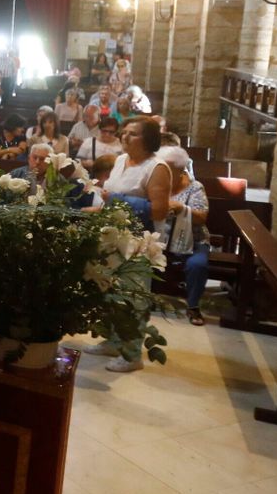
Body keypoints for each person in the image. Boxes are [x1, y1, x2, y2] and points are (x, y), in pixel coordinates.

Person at [84, 116, 172, 372]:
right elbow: (110, 196)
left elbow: (158, 211)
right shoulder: (121, 160)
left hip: (139, 242)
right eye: (124, 132)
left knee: (132, 297)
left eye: (132, 133)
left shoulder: (157, 168)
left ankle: (132, 355)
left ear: (148, 139)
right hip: (113, 237)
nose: (124, 136)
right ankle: (113, 342)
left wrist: (116, 200)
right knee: (111, 292)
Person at [156, 145, 211, 327]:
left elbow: (201, 217)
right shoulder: (158, 184)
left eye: (167, 167)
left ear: (179, 170)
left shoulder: (195, 187)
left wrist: (182, 209)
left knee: (197, 265)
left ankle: (193, 305)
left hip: (193, 242)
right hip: (162, 240)